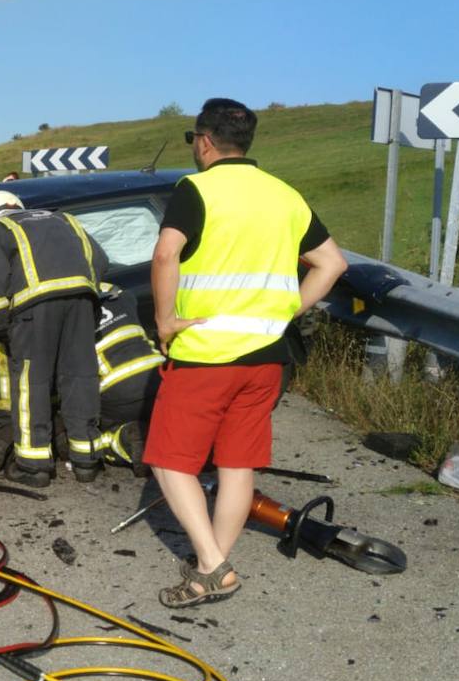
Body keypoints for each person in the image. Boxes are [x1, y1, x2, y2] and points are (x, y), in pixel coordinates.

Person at [145, 98, 348, 608]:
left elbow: (167, 253)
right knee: (237, 463)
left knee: (170, 461)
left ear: (205, 142)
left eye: (194, 138)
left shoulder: (197, 189)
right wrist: (287, 311)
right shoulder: (284, 195)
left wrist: (165, 319)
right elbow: (332, 264)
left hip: (205, 353)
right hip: (265, 356)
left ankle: (213, 565)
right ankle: (210, 568)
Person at [0, 190, 107, 489]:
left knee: (31, 382)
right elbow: (99, 258)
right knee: (80, 377)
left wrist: (4, 329)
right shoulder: (65, 220)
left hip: (34, 310)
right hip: (81, 300)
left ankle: (34, 466)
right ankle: (86, 459)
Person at [90, 283, 163, 474]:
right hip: (157, 377)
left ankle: (123, 439)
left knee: (85, 437)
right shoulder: (115, 290)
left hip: (117, 391)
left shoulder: (67, 306)